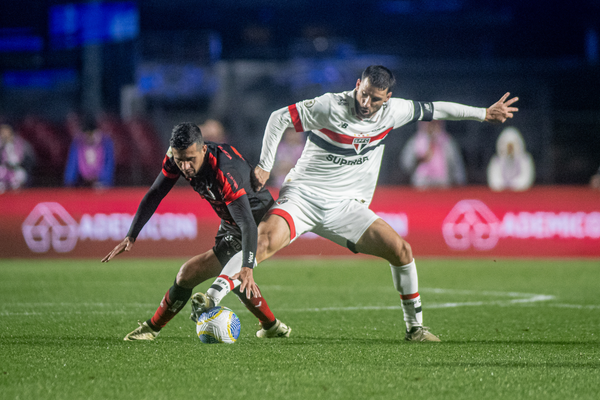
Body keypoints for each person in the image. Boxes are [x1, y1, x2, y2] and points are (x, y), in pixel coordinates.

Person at [236, 65, 518, 342]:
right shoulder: (331, 105)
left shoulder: (395, 112)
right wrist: (264, 165)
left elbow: (437, 108)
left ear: (388, 98)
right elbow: (279, 117)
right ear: (358, 85)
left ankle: (415, 329)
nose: (367, 103)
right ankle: (213, 298)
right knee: (259, 246)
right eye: (364, 94)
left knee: (401, 250)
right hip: (303, 196)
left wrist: (483, 114)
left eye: (376, 98)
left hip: (346, 207)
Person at [102, 122, 291, 341]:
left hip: (259, 221)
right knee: (195, 276)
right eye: (180, 159)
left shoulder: (223, 170)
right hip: (232, 222)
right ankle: (271, 327)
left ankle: (152, 328)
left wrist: (248, 265)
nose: (185, 167)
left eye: (190, 159)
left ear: (203, 149)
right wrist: (132, 234)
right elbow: (156, 192)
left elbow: (247, 222)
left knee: (218, 274)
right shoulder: (177, 158)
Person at [400, 120, 467, 188]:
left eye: (434, 123)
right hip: (421, 185)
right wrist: (419, 159)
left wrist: (459, 183)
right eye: (429, 123)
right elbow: (406, 165)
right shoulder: (415, 142)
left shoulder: (447, 142)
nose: (431, 126)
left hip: (443, 185)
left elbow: (457, 165)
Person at [64, 118, 115, 188]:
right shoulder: (77, 143)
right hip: (82, 183)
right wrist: (69, 182)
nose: (90, 138)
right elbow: (72, 165)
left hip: (101, 183)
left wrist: (104, 181)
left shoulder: (106, 143)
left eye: (92, 134)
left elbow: (108, 166)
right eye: (87, 135)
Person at [487, 126, 535, 191]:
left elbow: (526, 180)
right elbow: (494, 181)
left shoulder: (525, 160)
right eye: (508, 146)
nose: (510, 149)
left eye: (512, 146)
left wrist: (514, 184)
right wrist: (504, 184)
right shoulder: (496, 161)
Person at [0, 123, 35, 193]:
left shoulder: (21, 143)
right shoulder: (1, 144)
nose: (4, 134)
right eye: (2, 132)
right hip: (3, 168)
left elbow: (28, 158)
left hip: (18, 168)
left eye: (6, 131)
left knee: (20, 174)